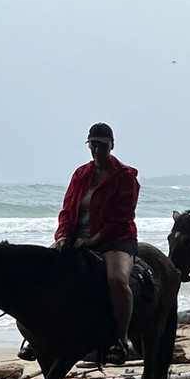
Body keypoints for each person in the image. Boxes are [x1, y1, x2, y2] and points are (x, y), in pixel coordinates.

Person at [53, 122, 140, 364]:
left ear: (112, 146)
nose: (97, 150)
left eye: (102, 145)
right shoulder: (80, 174)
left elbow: (122, 217)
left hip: (116, 240)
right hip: (78, 238)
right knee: (43, 271)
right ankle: (40, 333)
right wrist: (62, 236)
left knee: (117, 280)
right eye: (93, 145)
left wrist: (94, 240)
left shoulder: (125, 176)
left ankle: (121, 339)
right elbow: (67, 210)